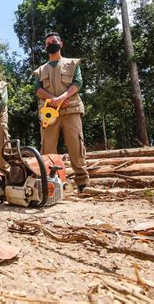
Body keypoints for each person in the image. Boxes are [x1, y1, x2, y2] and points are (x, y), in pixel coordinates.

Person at [33, 32, 89, 192]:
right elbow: (38, 89)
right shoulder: (40, 70)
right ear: (45, 47)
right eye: (48, 42)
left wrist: (63, 97)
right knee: (47, 149)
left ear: (61, 43)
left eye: (54, 41)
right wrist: (54, 99)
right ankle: (50, 184)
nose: (51, 44)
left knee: (76, 145)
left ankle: (82, 183)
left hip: (71, 109)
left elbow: (78, 83)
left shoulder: (72, 63)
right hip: (49, 112)